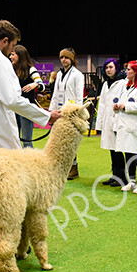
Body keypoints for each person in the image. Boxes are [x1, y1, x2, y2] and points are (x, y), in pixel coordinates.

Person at [0, 20, 61, 253]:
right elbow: (13, 99)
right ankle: (11, 243)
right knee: (8, 194)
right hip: (0, 135)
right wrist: (47, 116)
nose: (13, 50)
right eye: (13, 44)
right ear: (5, 41)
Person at [112, 60, 137, 194]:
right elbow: (123, 103)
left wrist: (126, 107)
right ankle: (132, 181)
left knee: (136, 153)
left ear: (136, 71)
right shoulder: (129, 87)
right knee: (127, 152)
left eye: (129, 69)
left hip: (135, 126)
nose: (126, 71)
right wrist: (118, 107)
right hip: (125, 125)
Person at [50, 47, 84, 179]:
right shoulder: (59, 74)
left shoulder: (78, 75)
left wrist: (78, 113)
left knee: (70, 141)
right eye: (62, 57)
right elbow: (55, 94)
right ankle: (61, 167)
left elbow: (79, 96)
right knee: (59, 141)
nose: (63, 60)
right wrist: (51, 110)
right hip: (58, 112)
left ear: (72, 59)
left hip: (71, 113)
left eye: (66, 57)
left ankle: (73, 168)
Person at [95, 58, 127, 186]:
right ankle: (115, 175)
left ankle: (122, 177)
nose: (108, 70)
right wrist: (100, 123)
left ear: (116, 68)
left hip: (117, 120)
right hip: (107, 121)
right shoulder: (105, 84)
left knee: (118, 150)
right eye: (106, 67)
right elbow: (102, 105)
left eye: (111, 67)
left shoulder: (122, 83)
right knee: (111, 150)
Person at [10, 45, 45, 148]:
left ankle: (31, 163)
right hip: (14, 108)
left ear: (20, 55)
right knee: (14, 140)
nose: (10, 57)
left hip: (26, 108)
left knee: (26, 140)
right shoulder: (10, 70)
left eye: (13, 54)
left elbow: (42, 86)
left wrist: (36, 84)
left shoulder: (31, 69)